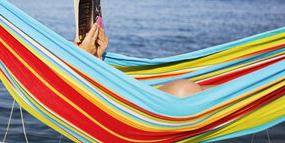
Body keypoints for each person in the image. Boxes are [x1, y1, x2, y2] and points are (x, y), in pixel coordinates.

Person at [74, 23, 211, 98]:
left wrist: (93, 58)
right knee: (184, 91)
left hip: (129, 108)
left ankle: (234, 91)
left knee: (185, 91)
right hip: (130, 115)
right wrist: (81, 60)